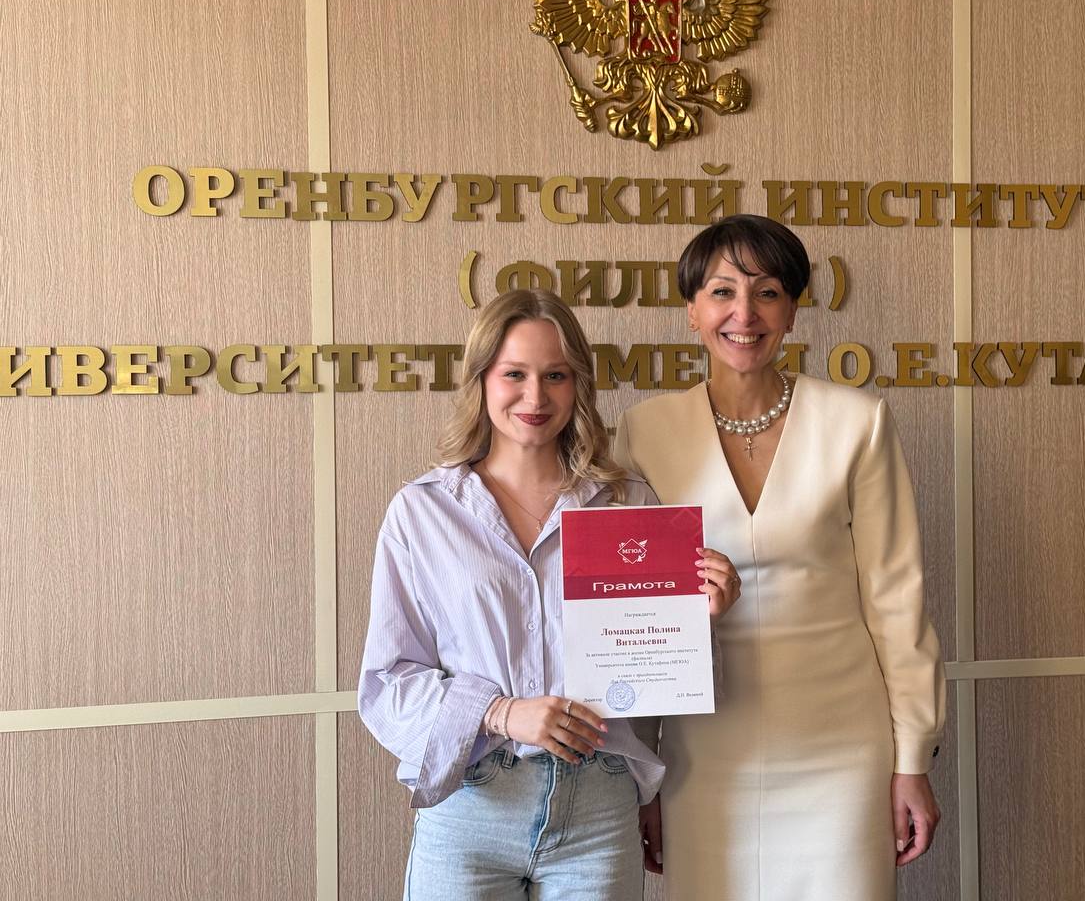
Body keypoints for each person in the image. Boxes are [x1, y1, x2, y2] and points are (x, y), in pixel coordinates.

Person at [357, 289, 739, 901]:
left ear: (578, 384)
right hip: (471, 807)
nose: (535, 398)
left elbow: (668, 685)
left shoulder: (629, 505)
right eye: (514, 374)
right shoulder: (421, 513)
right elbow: (387, 682)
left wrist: (701, 620)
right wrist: (503, 712)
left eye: (555, 376)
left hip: (600, 809)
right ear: (482, 379)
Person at [614, 215, 946, 900]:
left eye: (767, 293)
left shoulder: (856, 422)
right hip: (704, 748)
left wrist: (912, 757)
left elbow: (897, 599)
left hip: (840, 745)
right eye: (722, 292)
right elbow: (630, 619)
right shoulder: (644, 432)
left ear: (792, 311)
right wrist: (642, 776)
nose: (744, 313)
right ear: (692, 311)